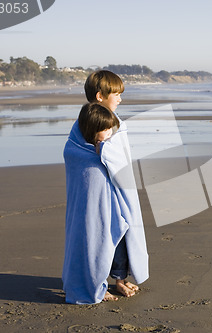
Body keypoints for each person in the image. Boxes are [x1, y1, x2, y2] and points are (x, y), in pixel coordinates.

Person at [63, 70, 149, 304]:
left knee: (121, 234)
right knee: (98, 234)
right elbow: (80, 152)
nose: (120, 98)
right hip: (96, 190)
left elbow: (118, 155)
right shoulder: (91, 121)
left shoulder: (113, 120)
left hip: (114, 188)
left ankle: (119, 278)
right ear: (100, 95)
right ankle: (95, 284)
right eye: (116, 94)